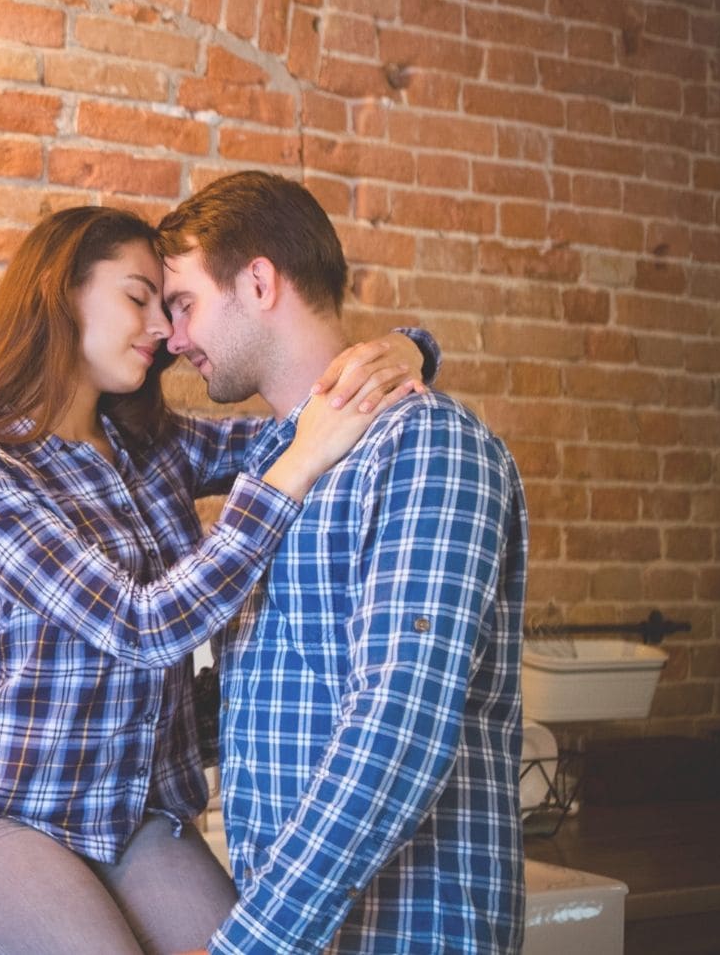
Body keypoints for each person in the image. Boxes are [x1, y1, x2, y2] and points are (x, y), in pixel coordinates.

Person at [0, 205, 435, 955]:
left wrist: (401, 352)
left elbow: (306, 424)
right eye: (136, 297)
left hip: (136, 824)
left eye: (168, 302)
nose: (164, 330)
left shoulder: (156, 448)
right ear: (62, 293)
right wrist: (289, 477)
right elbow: (141, 626)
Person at [157, 171, 527, 954]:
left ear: (259, 281)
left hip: (410, 933)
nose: (174, 337)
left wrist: (251, 942)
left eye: (183, 303)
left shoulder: (429, 449)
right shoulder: (271, 466)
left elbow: (397, 729)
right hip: (300, 928)